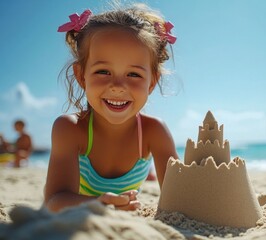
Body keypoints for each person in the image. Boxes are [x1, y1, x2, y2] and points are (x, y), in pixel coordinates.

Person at [44, 3, 179, 212]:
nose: (117, 87)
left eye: (133, 74)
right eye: (103, 72)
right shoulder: (70, 129)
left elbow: (181, 198)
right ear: (81, 76)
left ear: (152, 82)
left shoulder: (154, 132)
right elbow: (54, 201)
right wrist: (98, 203)